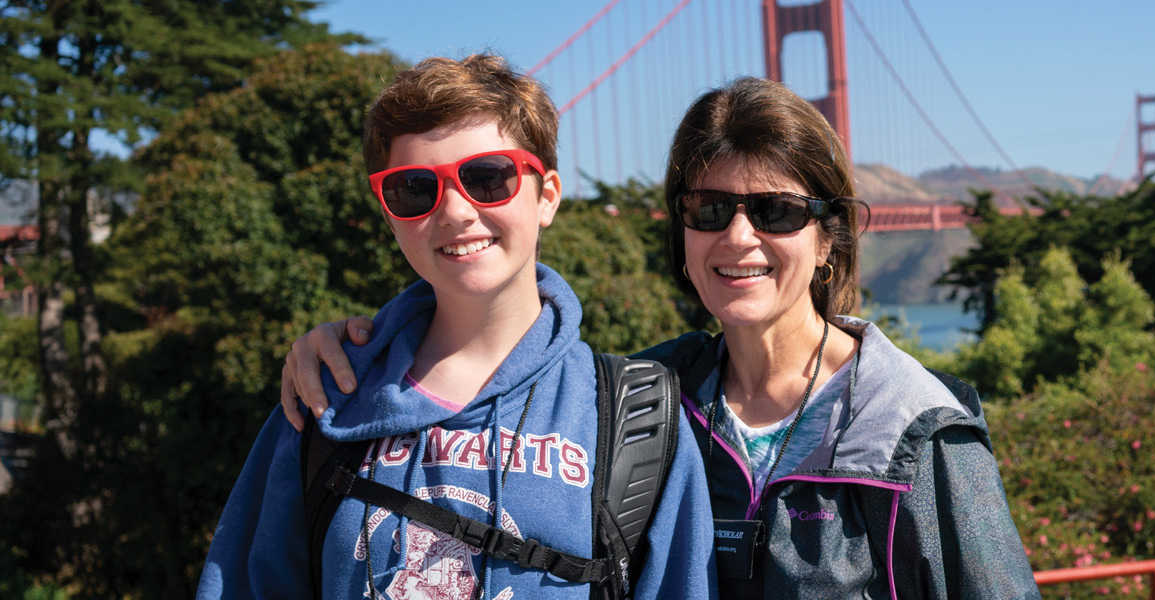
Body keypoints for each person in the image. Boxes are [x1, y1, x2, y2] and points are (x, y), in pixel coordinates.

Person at [280, 77, 1039, 599]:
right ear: (681, 231)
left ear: (829, 238)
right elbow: (506, 357)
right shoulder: (649, 403)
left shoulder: (916, 432)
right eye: (709, 210)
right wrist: (364, 343)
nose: (739, 238)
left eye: (775, 211)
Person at [198, 55, 714, 600]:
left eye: (489, 178)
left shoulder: (636, 422)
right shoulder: (327, 399)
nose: (455, 212)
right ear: (388, 212)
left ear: (548, 197)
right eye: (414, 189)